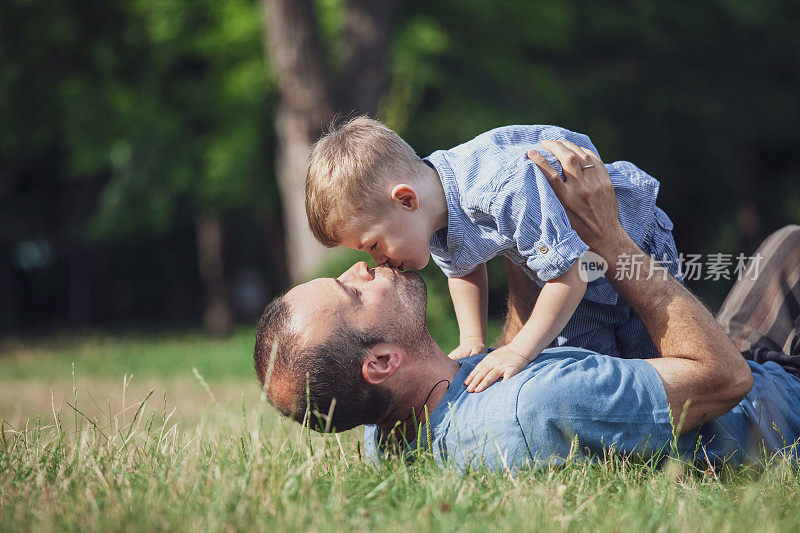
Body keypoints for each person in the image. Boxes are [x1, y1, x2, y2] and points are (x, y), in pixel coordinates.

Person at [254, 141, 800, 470]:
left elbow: (513, 329)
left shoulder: (394, 431)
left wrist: (521, 235)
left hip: (689, 371)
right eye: (351, 291)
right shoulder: (540, 404)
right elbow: (725, 379)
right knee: (792, 250)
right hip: (759, 404)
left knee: (783, 248)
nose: (360, 267)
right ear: (379, 362)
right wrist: (608, 237)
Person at [304, 117, 682, 393]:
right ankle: (628, 445)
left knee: (658, 363)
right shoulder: (428, 217)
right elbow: (462, 269)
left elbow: (571, 275)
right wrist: (473, 336)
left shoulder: (500, 191)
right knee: (591, 369)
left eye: (373, 245)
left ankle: (711, 426)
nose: (378, 262)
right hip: (571, 280)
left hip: (631, 250)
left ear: (406, 200)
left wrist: (517, 350)